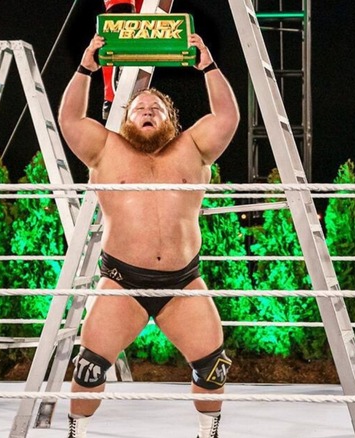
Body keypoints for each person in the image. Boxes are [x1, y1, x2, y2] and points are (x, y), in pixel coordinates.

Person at [57, 30, 239, 438]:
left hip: (183, 283)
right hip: (121, 283)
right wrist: (87, 65)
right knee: (88, 368)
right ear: (126, 119)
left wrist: (207, 64)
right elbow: (69, 120)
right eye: (140, 106)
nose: (147, 110)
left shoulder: (193, 147)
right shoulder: (106, 149)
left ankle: (207, 433)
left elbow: (227, 118)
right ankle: (76, 433)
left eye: (156, 107)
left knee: (214, 366)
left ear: (170, 120)